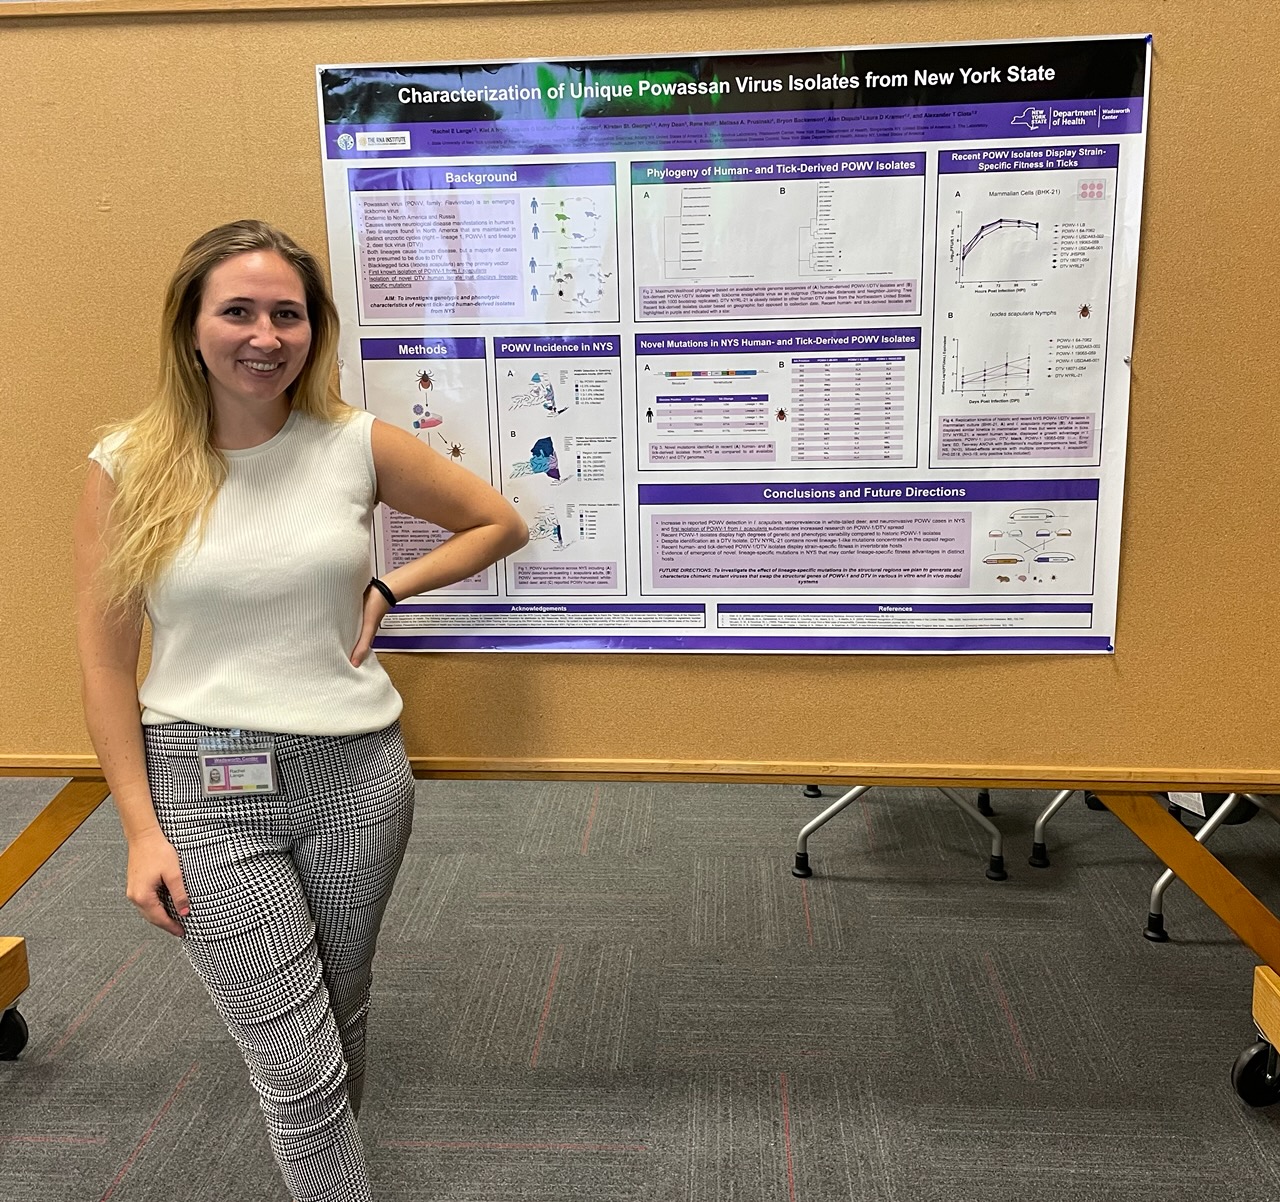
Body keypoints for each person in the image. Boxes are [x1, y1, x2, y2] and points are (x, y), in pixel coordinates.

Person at [73, 219, 528, 1201]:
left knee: (337, 1005)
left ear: (313, 329)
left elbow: (499, 520)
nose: (264, 335)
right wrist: (139, 829)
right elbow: (106, 661)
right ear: (190, 327)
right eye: (237, 310)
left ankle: (319, 1166)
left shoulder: (352, 444)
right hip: (202, 784)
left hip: (355, 776)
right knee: (297, 1061)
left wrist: (390, 587)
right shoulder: (127, 461)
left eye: (288, 314)